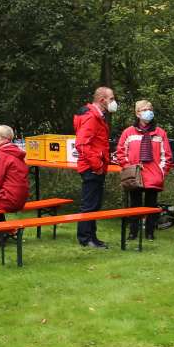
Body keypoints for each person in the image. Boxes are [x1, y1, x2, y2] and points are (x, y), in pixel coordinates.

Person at [116, 100, 173, 240]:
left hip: (153, 175)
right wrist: (130, 168)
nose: (147, 111)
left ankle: (150, 233)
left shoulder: (160, 133)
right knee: (134, 205)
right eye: (143, 109)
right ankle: (133, 232)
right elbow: (121, 153)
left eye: (149, 109)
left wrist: (161, 172)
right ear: (137, 113)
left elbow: (167, 156)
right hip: (134, 175)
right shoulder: (128, 132)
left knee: (151, 205)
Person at [72, 86, 116, 249]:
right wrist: (97, 164)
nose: (113, 102)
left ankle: (92, 237)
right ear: (102, 100)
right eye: (111, 99)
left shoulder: (97, 116)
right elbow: (82, 144)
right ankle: (85, 238)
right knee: (89, 204)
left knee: (94, 204)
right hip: (91, 167)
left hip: (96, 166)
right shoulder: (91, 117)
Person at [0, 126, 30, 242]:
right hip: (19, 199)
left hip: (9, 199)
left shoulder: (2, 154)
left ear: (5, 139)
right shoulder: (14, 152)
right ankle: (0, 232)